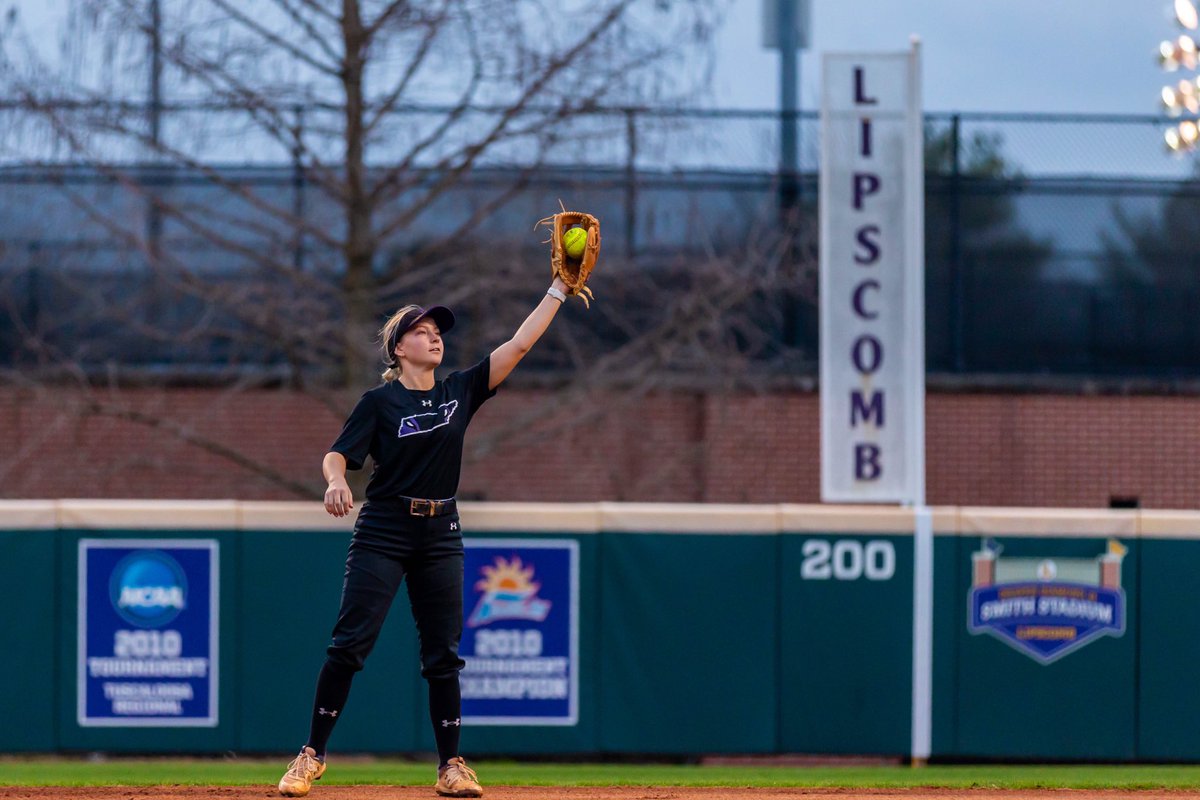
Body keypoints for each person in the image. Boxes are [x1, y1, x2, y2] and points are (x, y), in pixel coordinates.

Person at [278, 276, 573, 799]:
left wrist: (557, 290)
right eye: (422, 330)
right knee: (349, 645)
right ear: (398, 346)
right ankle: (311, 755)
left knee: (443, 654)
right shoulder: (379, 402)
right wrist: (335, 480)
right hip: (385, 528)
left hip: (441, 529)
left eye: (438, 331)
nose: (435, 337)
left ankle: (451, 766)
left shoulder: (459, 391)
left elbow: (520, 344)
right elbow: (337, 453)